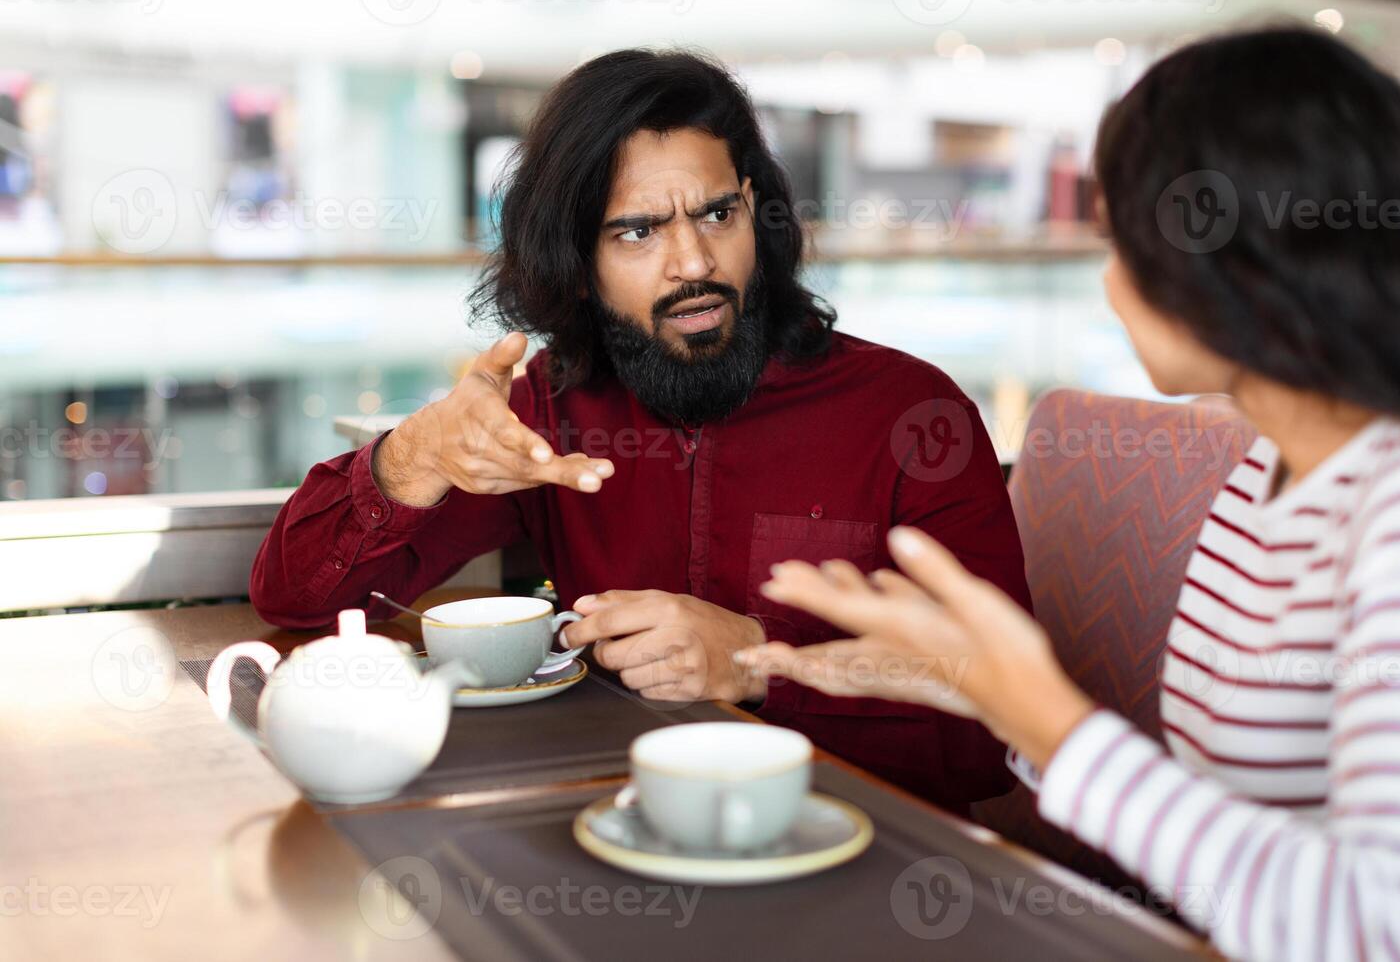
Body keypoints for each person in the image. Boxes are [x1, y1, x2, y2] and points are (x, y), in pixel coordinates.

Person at [737, 28, 1400, 959]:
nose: (1111, 283)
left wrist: (1050, 717)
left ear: (1240, 257)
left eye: (1121, 240)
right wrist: (983, 693)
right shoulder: (1268, 474)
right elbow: (1230, 818)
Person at [249, 49, 1030, 810]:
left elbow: (1002, 716)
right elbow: (298, 599)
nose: (692, 263)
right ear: (578, 265)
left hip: (871, 868)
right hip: (609, 837)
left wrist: (763, 663)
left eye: (717, 214)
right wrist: (413, 456)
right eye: (637, 232)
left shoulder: (910, 414)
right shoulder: (550, 417)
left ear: (756, 209)